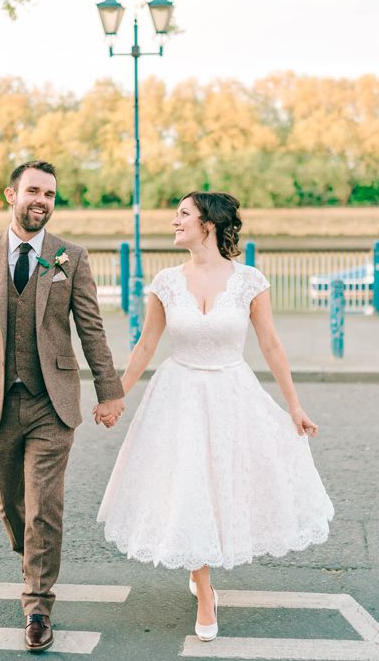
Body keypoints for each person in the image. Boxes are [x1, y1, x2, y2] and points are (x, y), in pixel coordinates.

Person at [96, 191, 334, 642]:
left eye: (183, 214)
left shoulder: (249, 281)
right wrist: (115, 397)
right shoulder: (166, 281)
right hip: (178, 395)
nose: (174, 221)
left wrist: (295, 406)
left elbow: (271, 345)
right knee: (190, 486)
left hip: (230, 395)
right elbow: (146, 346)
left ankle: (201, 567)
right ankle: (205, 591)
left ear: (208, 224)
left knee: (220, 486)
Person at [0, 160, 125, 653]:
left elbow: (91, 327)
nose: (41, 200)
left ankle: (38, 605)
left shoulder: (71, 256)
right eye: (33, 191)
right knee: (12, 503)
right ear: (11, 195)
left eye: (49, 193)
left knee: (44, 505)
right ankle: (33, 558)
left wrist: (110, 390)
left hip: (53, 403)